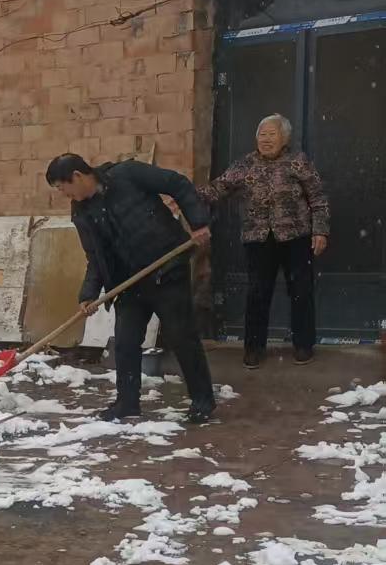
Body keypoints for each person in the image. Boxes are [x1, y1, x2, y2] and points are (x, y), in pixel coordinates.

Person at [46, 152, 216, 425]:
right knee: (125, 343)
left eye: (62, 188)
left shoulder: (128, 175)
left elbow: (178, 183)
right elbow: (95, 257)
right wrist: (88, 294)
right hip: (129, 283)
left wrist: (198, 223)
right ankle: (127, 404)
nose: (64, 195)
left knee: (181, 336)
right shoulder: (81, 211)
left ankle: (202, 400)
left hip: (166, 269)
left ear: (77, 176)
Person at [200, 113, 329, 368]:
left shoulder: (298, 162)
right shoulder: (244, 164)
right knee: (257, 293)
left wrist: (320, 231)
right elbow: (217, 188)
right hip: (258, 239)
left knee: (301, 291)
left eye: (272, 134)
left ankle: (303, 345)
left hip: (296, 237)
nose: (266, 139)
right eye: (262, 134)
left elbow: (318, 197)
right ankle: (254, 348)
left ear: (285, 138)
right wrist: (183, 196)